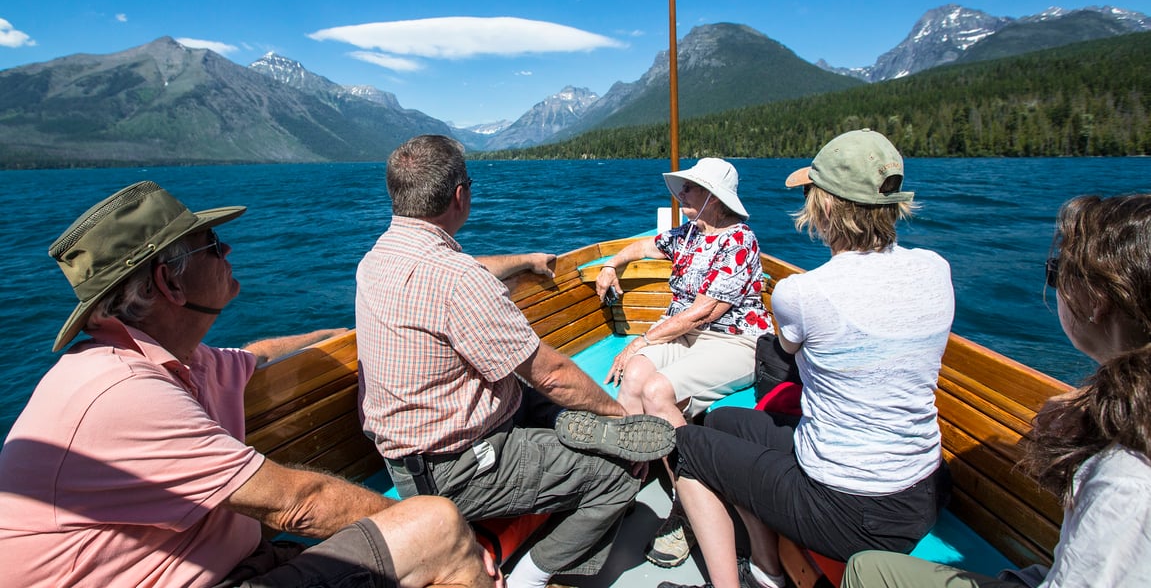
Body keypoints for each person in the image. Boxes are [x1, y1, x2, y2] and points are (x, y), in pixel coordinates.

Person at [0, 180, 501, 588]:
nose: (229, 249)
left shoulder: (174, 361)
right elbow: (299, 503)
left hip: (240, 563)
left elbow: (256, 356)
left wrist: (340, 333)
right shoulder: (120, 394)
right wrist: (454, 535)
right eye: (211, 246)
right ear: (169, 283)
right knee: (438, 527)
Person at [355, 134, 676, 588]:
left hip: (410, 456)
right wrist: (619, 415)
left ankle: (571, 437)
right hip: (456, 468)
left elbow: (463, 269)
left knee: (538, 400)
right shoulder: (459, 281)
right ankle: (532, 575)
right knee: (619, 472)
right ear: (460, 195)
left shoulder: (376, 259)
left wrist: (525, 260)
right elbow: (554, 374)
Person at [659, 128, 955, 588]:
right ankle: (764, 568)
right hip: (922, 490)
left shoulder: (804, 292)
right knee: (720, 423)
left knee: (691, 450)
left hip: (847, 509)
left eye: (811, 194)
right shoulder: (937, 269)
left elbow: (787, 352)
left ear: (828, 207)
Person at [843, 193, 1151, 588]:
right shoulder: (1121, 416)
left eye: (1055, 272)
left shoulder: (1126, 480)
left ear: (1095, 301)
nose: (1053, 284)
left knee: (867, 571)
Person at [595, 158, 771, 568]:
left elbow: (703, 313)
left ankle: (687, 508)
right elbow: (641, 246)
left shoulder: (739, 240)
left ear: (715, 197)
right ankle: (622, 479)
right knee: (636, 372)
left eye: (691, 188)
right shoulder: (690, 233)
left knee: (657, 389)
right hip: (686, 336)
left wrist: (640, 339)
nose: (681, 194)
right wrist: (610, 264)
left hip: (734, 340)